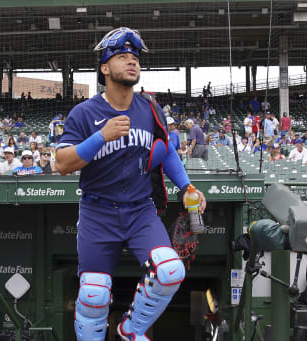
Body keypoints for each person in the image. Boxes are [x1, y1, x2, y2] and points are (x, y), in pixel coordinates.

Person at [53, 27, 205, 341]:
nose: (131, 61)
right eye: (122, 57)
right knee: (93, 294)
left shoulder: (149, 108)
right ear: (104, 68)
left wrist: (187, 187)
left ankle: (130, 331)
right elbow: (63, 164)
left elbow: (166, 153)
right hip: (98, 213)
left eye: (134, 57)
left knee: (170, 271)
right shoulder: (84, 113)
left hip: (140, 211)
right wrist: (101, 136)